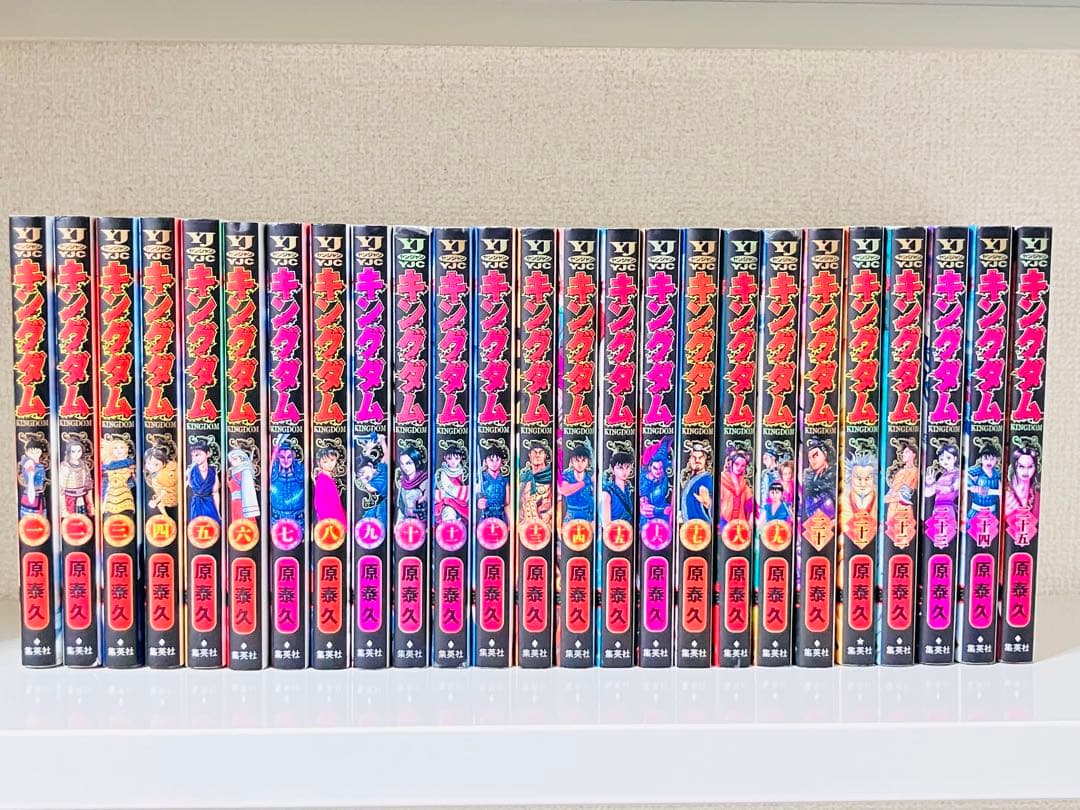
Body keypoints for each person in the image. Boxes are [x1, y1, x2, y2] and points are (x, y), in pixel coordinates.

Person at [840, 450, 877, 548]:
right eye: (858, 478)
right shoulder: (842, 503)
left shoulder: (880, 504)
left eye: (867, 479)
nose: (863, 484)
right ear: (850, 478)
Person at [1004, 446, 1040, 546]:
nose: (1026, 471)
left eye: (1030, 467)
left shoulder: (1037, 494)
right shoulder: (1007, 494)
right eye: (1021, 466)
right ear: (1015, 467)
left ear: (1035, 468)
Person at [269, 436, 304, 533]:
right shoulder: (274, 472)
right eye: (282, 457)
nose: (285, 461)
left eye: (289, 457)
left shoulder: (300, 471)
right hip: (277, 515)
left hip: (298, 515)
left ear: (293, 458)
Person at [638, 437, 672, 532]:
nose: (658, 471)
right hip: (648, 520)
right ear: (650, 467)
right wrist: (662, 510)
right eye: (655, 468)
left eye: (661, 468)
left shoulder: (664, 477)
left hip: (664, 518)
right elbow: (645, 508)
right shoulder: (644, 480)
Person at [355, 433, 389, 525]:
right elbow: (370, 488)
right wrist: (368, 450)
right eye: (360, 476)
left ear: (370, 465)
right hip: (378, 505)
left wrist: (382, 441)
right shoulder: (368, 482)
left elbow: (386, 455)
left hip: (386, 504)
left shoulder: (382, 468)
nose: (363, 476)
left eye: (363, 472)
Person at [558, 440, 595, 522]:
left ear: (588, 462)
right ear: (572, 461)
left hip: (588, 515)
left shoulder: (590, 475)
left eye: (583, 461)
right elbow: (564, 490)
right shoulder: (567, 475)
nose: (580, 464)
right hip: (571, 515)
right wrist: (587, 481)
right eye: (577, 460)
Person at [801, 437, 836, 520]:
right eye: (810, 458)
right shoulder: (808, 478)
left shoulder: (833, 475)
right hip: (811, 521)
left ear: (825, 454)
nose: (812, 460)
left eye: (815, 455)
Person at [519, 440, 553, 525]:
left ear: (545, 455)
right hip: (526, 523)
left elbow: (560, 502)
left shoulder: (551, 476)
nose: (537, 455)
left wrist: (549, 514)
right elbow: (518, 501)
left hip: (545, 522)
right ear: (529, 455)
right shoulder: (525, 477)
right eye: (534, 452)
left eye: (540, 452)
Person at [434, 442, 469, 523]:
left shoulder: (463, 471)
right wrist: (466, 490)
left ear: (461, 458)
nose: (453, 461)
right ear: (445, 458)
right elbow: (448, 488)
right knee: (449, 515)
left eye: (456, 458)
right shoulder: (443, 472)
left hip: (461, 502)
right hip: (448, 500)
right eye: (450, 458)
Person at [58, 439, 94, 518]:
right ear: (68, 452)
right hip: (69, 499)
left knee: (83, 519)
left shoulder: (84, 465)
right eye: (73, 452)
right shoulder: (65, 466)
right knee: (71, 520)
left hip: (83, 498)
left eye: (79, 451)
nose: (76, 454)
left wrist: (91, 505)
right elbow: (61, 489)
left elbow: (89, 485)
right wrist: (63, 509)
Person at [187, 440, 220, 523]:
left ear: (208, 454)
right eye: (193, 455)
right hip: (196, 505)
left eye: (198, 455)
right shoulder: (190, 471)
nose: (195, 458)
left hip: (209, 504)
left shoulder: (213, 471)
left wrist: (218, 512)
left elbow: (215, 493)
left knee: (213, 525)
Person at [101, 437, 136, 516]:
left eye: (121, 447)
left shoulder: (130, 463)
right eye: (115, 448)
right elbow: (105, 485)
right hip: (111, 496)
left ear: (126, 449)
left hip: (125, 494)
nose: (118, 450)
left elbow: (133, 482)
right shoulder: (108, 465)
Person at [966, 442, 1001, 520]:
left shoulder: (997, 474)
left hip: (992, 513)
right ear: (981, 459)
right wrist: (971, 486)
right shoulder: (976, 471)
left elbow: (1001, 492)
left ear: (996, 459)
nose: (989, 462)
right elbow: (964, 479)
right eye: (986, 458)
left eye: (992, 459)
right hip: (976, 512)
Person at [312, 447, 346, 525]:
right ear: (319, 462)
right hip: (329, 519)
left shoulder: (328, 477)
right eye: (325, 462)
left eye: (332, 460)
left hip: (336, 517)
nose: (330, 464)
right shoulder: (322, 479)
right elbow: (319, 503)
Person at [477, 443, 510, 523]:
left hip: (501, 518)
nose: (494, 463)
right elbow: (472, 500)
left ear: (501, 462)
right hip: (485, 518)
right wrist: (477, 504)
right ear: (485, 461)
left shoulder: (504, 480)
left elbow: (507, 504)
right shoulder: (480, 479)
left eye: (497, 460)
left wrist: (510, 522)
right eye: (491, 460)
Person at [601, 451, 634, 530]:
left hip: (628, 531)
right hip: (614, 532)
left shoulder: (628, 490)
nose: (624, 471)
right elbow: (606, 525)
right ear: (613, 470)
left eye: (627, 467)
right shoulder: (607, 492)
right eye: (620, 468)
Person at [719, 448, 753, 525]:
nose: (739, 468)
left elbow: (750, 507)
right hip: (723, 522)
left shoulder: (744, 486)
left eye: (742, 466)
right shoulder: (722, 482)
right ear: (731, 463)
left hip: (740, 523)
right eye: (737, 464)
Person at [680, 441, 712, 522]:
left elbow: (708, 502)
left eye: (700, 457)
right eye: (694, 457)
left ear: (705, 460)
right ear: (689, 460)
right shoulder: (692, 479)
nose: (697, 460)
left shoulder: (706, 480)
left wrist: (707, 503)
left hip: (701, 526)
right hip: (690, 525)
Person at [226, 447, 260, 521]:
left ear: (241, 458)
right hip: (235, 502)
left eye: (235, 459)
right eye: (231, 461)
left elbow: (247, 489)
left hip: (243, 502)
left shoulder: (246, 471)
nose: (233, 462)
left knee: (246, 523)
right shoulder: (233, 471)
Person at [395, 446, 428, 523]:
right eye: (402, 464)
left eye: (408, 463)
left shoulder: (425, 480)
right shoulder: (403, 482)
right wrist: (398, 523)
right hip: (406, 522)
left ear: (416, 462)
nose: (405, 467)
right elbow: (401, 507)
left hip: (422, 522)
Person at [145, 444, 179, 516]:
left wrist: (156, 501)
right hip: (164, 502)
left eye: (156, 464)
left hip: (170, 502)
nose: (151, 467)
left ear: (163, 464)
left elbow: (165, 491)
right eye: (148, 463)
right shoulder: (156, 474)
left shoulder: (163, 475)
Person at [18, 436, 47, 517]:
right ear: (27, 452)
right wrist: (32, 496)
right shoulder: (29, 464)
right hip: (31, 496)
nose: (35, 454)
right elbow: (31, 482)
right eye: (32, 452)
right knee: (31, 519)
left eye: (37, 452)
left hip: (40, 496)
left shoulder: (40, 465)